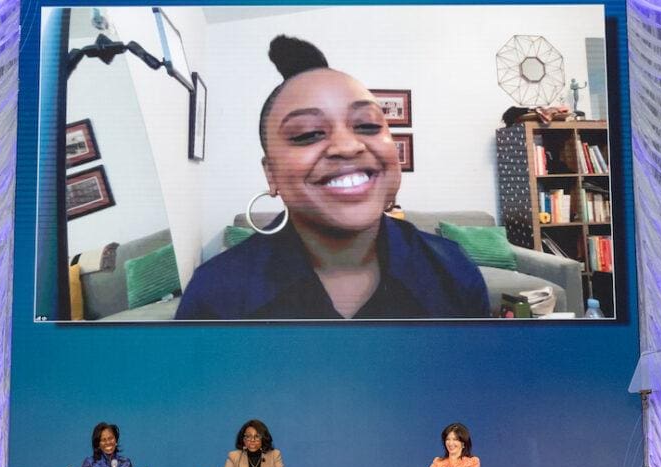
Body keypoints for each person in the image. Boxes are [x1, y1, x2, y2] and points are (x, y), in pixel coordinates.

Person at [175, 35, 489, 320]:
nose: (348, 146)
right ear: (271, 174)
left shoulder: (454, 270)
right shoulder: (214, 294)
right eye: (308, 133)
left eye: (367, 125)